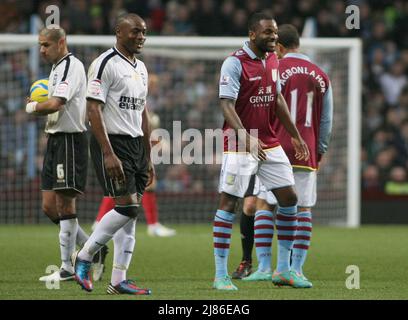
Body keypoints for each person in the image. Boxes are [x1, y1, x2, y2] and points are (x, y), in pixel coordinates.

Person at [212, 12, 310, 291]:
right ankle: (220, 275)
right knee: (229, 202)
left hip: (269, 140)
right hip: (240, 143)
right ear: (252, 34)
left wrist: (294, 135)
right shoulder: (234, 63)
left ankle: (284, 270)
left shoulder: (273, 59)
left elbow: (277, 98)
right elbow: (226, 104)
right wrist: (245, 137)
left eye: (275, 32)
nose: (273, 36)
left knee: (289, 197)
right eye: (268, 32)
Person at [239, 24, 334, 288]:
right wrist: (320, 148)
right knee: (302, 208)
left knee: (265, 204)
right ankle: (296, 269)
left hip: (273, 147)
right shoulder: (322, 75)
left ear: (279, 47)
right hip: (306, 148)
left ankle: (264, 267)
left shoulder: (274, 68)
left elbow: (262, 107)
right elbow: (326, 119)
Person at [72, 13, 153, 295]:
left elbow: (142, 112)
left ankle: (119, 280)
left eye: (143, 32)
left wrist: (148, 156)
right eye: (135, 32)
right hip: (112, 143)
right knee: (128, 207)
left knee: (130, 215)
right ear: (119, 31)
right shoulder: (105, 63)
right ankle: (84, 256)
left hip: (136, 145)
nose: (141, 37)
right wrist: (108, 153)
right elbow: (93, 108)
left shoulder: (141, 68)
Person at [26, 26, 92, 282]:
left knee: (65, 204)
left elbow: (56, 103)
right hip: (55, 140)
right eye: (40, 45)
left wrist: (32, 106)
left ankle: (67, 267)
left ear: (61, 42)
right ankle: (92, 250)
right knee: (49, 206)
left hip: (69, 140)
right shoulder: (56, 68)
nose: (42, 50)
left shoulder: (70, 66)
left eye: (46, 45)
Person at [93, 112, 176, 239]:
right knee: (120, 188)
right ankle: (152, 225)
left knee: (127, 188)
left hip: (132, 151)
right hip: (124, 150)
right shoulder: (131, 124)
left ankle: (99, 221)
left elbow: (163, 147)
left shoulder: (149, 133)